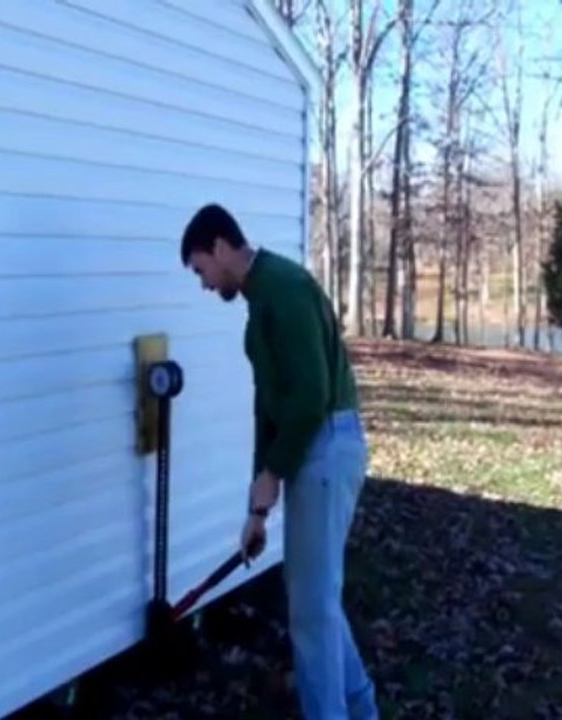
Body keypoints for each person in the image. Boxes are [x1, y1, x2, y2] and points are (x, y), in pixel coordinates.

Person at [179, 203, 378, 720]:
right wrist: (257, 508)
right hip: (314, 447)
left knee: (311, 610)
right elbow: (268, 410)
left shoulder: (284, 289)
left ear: (221, 247)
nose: (203, 284)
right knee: (316, 601)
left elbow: (310, 398)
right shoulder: (261, 300)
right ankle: (361, 709)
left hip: (327, 444)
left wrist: (272, 473)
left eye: (201, 269)